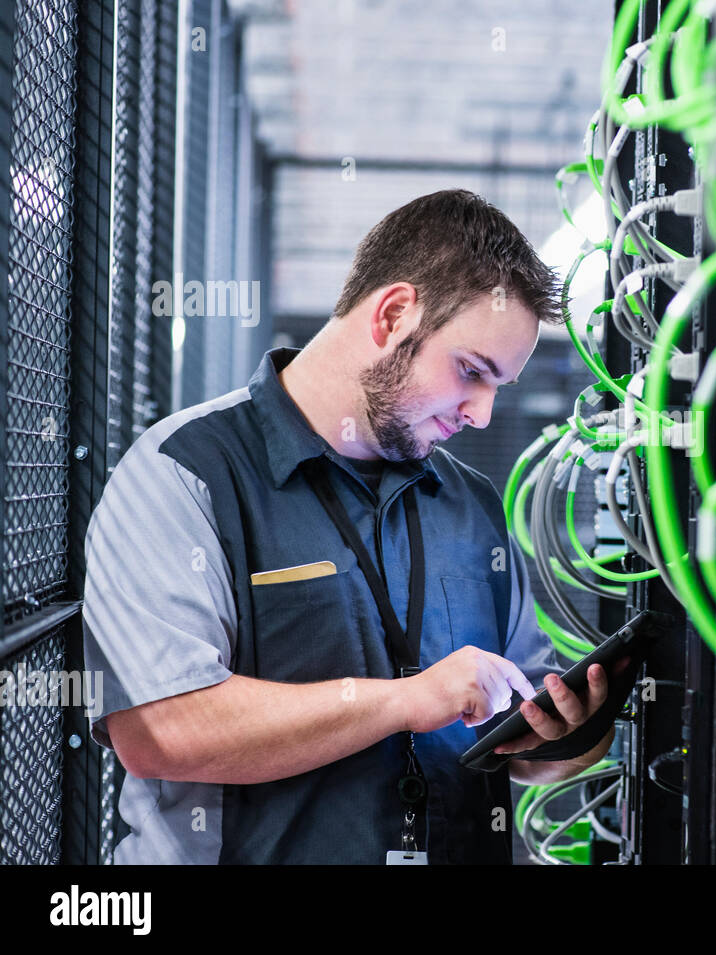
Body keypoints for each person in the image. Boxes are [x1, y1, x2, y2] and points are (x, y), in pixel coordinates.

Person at [81, 189, 616, 864]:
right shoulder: (185, 472)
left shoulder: (472, 502)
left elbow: (520, 740)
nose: (480, 413)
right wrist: (407, 700)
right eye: (471, 372)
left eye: (498, 387)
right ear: (393, 314)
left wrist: (564, 732)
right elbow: (161, 728)